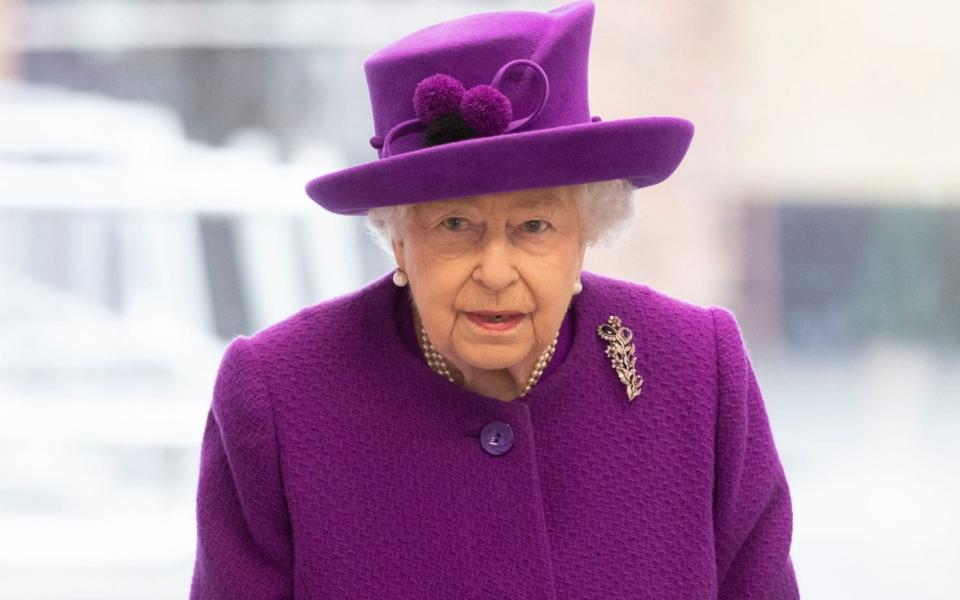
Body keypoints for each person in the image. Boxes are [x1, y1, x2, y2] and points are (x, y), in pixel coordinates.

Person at [188, 1, 800, 598]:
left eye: (534, 226)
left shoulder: (698, 369)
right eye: (455, 225)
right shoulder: (278, 396)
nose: (497, 272)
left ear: (585, 233)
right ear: (398, 240)